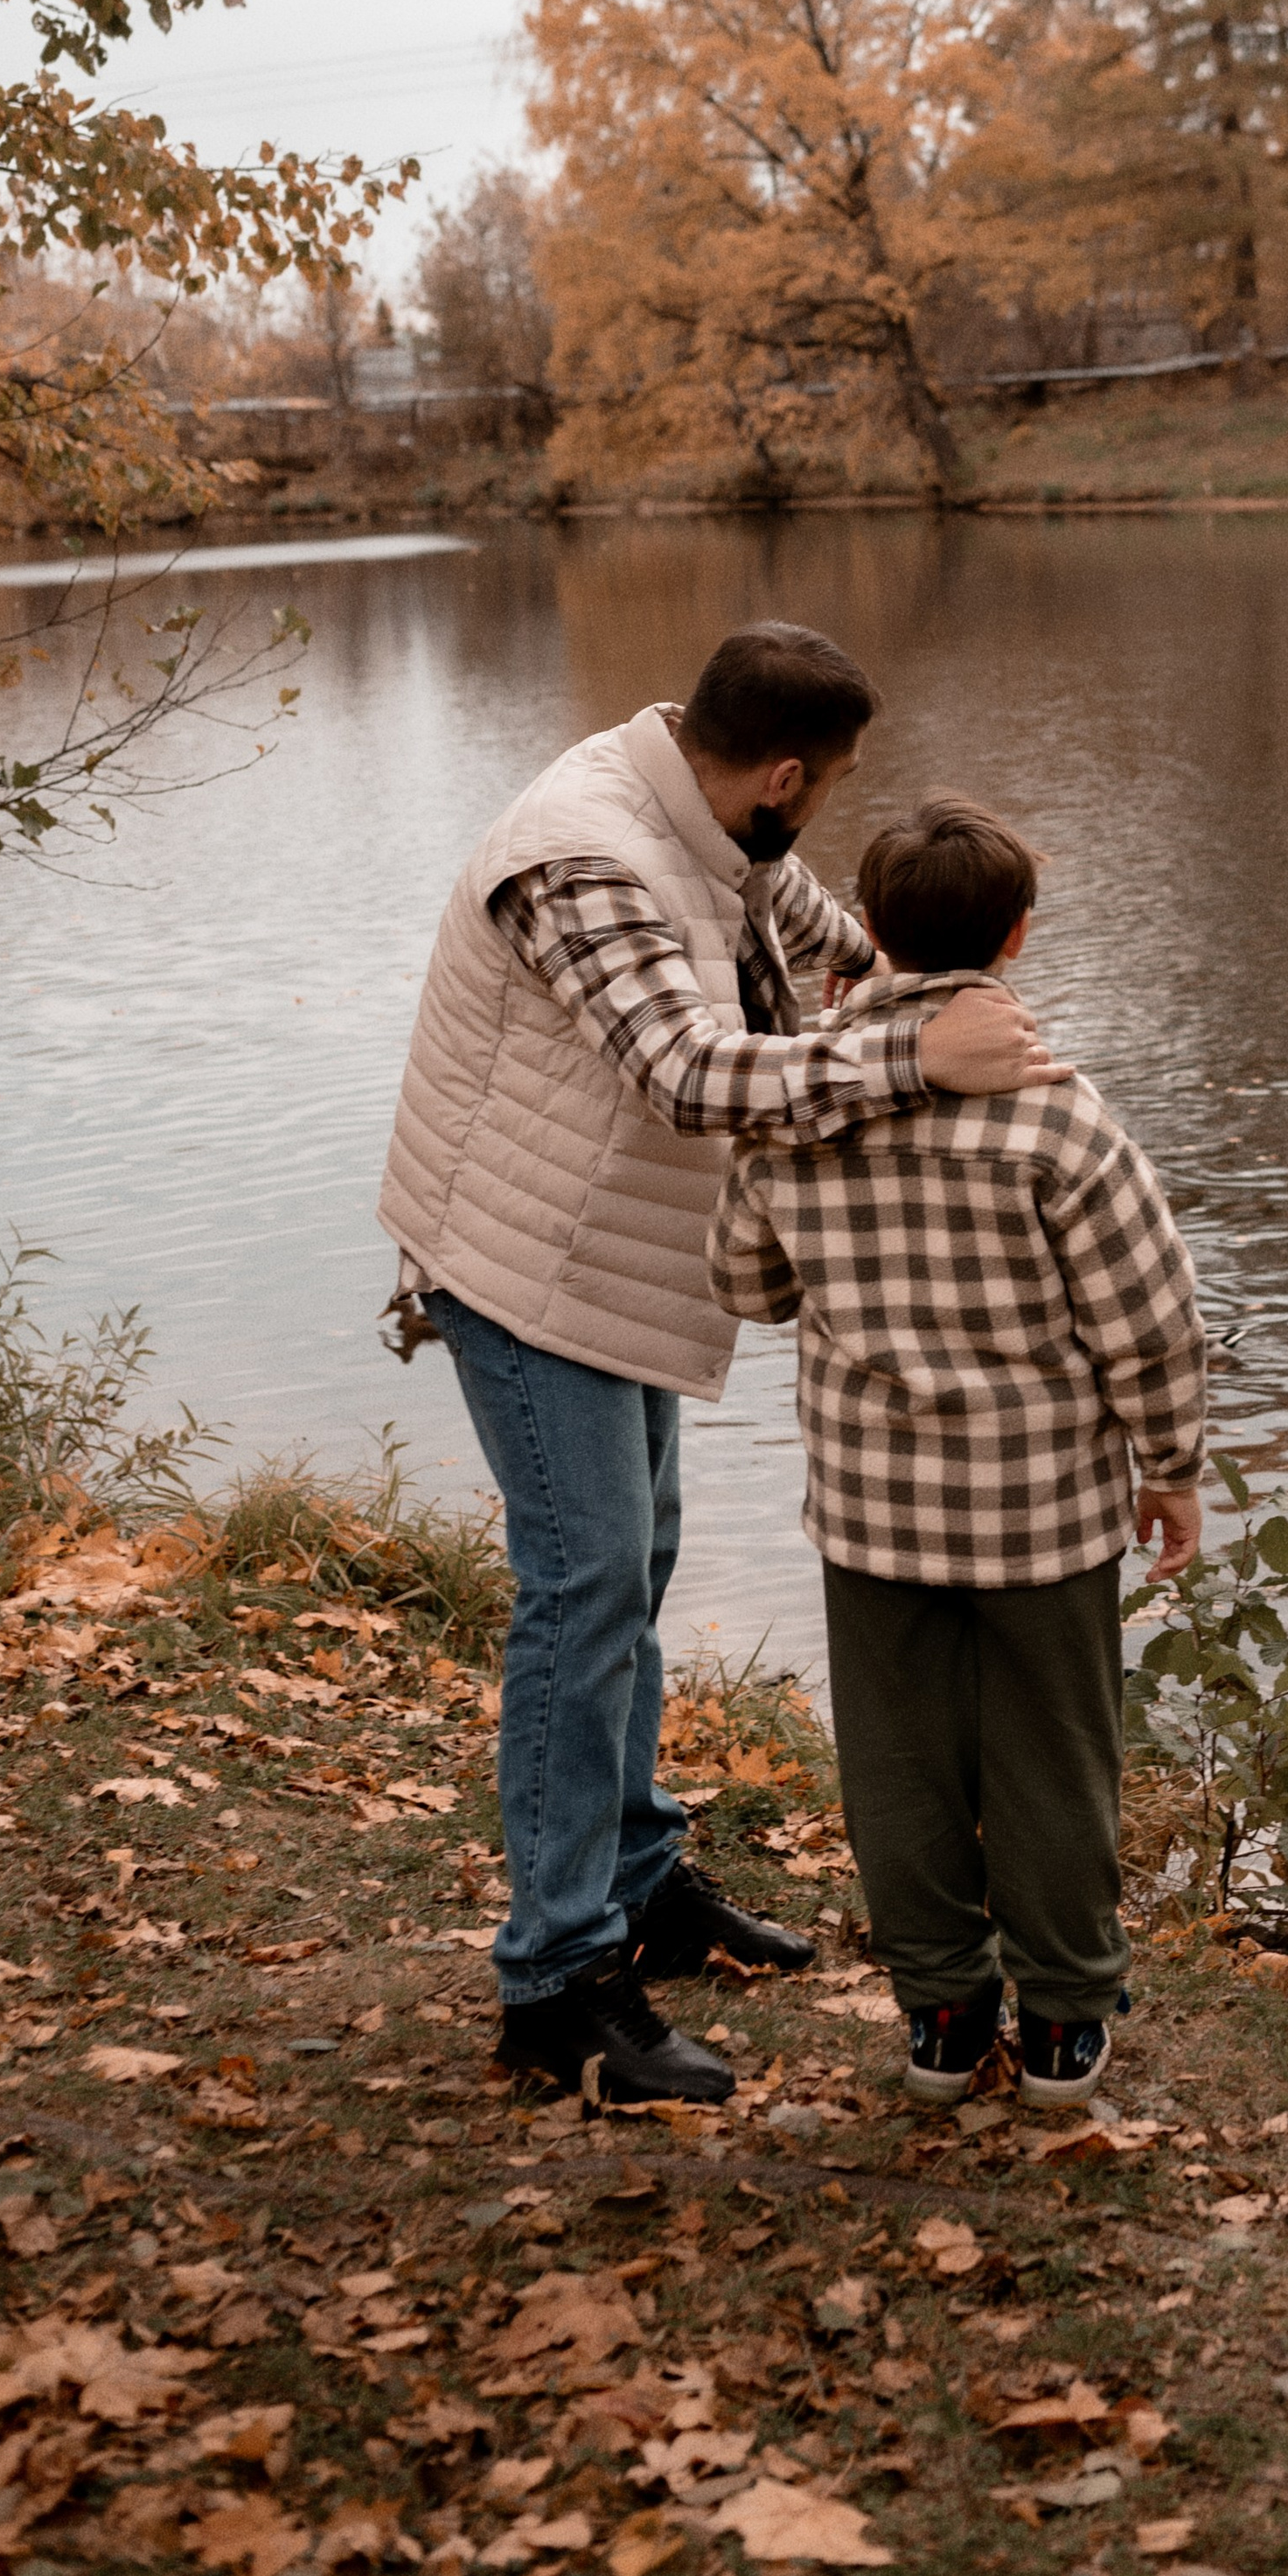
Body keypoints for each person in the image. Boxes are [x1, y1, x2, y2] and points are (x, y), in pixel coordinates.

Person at [378, 625, 1063, 2110]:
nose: (824, 812)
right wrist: (912, 1061)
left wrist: (924, 987)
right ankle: (557, 1982)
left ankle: (637, 1882)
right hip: (520, 1261)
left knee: (640, 1560)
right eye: (837, 784)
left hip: (611, 1256)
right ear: (787, 772)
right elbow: (685, 1073)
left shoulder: (711, 815)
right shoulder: (585, 858)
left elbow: (835, 939)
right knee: (584, 1589)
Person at [707, 794, 1207, 2112]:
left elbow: (746, 1286)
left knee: (899, 1766)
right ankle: (1062, 2025)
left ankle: (939, 2013)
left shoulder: (798, 1103)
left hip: (872, 1507)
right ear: (1019, 934)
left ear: (870, 928)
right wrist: (1171, 1467)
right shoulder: (1058, 1117)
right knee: (1055, 1758)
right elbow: (1150, 1319)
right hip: (1043, 1512)